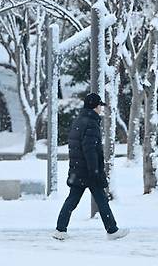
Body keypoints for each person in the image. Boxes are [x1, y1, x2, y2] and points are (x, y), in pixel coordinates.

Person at [53, 93, 129, 241]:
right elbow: (90, 149)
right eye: (100, 105)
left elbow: (75, 146)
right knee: (101, 199)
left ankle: (60, 229)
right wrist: (94, 170)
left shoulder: (79, 121)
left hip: (77, 168)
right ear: (95, 106)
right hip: (88, 170)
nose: (101, 108)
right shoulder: (91, 123)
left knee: (73, 199)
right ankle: (112, 230)